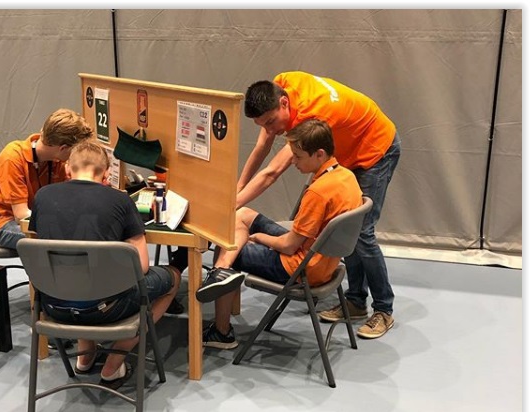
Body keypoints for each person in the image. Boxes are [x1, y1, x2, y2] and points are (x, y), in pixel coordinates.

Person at [239, 71, 401, 340]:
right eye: (262, 124)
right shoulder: (281, 85)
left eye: (271, 122)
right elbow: (262, 146)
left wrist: (234, 204)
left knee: (360, 233)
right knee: (347, 228)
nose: (270, 130)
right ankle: (355, 301)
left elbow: (272, 172)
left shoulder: (313, 115)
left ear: (284, 104)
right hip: (349, 148)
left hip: (375, 148)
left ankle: (383, 309)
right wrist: (237, 190)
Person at [195, 119, 363, 349]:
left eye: (298, 156)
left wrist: (258, 238)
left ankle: (221, 332)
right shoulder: (346, 176)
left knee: (227, 245)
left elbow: (288, 246)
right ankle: (220, 271)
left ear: (319, 154)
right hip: (323, 259)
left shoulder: (318, 192)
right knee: (243, 214)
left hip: (301, 268)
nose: (293, 162)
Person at [28, 140, 181, 387]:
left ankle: (85, 355)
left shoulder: (42, 196)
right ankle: (114, 361)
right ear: (107, 174)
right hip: (106, 307)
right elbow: (141, 266)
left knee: (75, 277)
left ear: (67, 169)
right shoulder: (120, 201)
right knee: (172, 277)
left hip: (52, 307)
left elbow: (38, 253)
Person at [0, 108, 94, 250]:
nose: (76, 155)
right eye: (76, 151)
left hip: (39, 219)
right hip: (3, 223)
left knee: (80, 233)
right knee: (62, 239)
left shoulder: (58, 161)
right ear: (63, 148)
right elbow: (21, 215)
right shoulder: (12, 157)